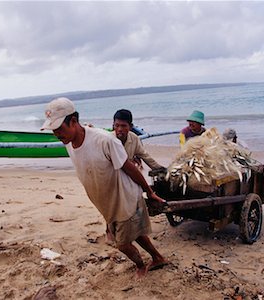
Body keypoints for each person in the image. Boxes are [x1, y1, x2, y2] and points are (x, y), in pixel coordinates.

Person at [41, 97, 168, 278]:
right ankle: (157, 257)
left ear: (74, 121)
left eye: (59, 128)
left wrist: (149, 192)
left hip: (125, 198)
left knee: (122, 244)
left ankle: (141, 265)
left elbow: (129, 167)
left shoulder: (105, 140)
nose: (57, 134)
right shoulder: (69, 142)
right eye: (53, 130)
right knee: (136, 234)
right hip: (106, 202)